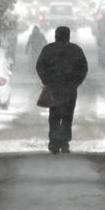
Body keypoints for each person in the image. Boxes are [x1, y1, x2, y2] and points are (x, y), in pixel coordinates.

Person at [35, 26, 88, 154]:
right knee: (67, 115)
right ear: (68, 36)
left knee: (54, 115)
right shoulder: (76, 50)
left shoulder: (48, 49)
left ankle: (54, 141)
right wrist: (75, 83)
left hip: (53, 88)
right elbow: (83, 69)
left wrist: (46, 80)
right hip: (70, 89)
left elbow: (40, 66)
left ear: (56, 35)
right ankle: (64, 142)